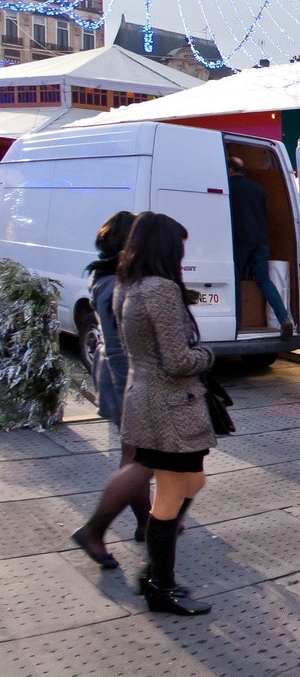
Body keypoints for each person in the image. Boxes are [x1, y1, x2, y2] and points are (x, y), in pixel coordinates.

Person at [116, 212, 218, 616]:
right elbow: (177, 360)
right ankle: (160, 586)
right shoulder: (159, 289)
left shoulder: (128, 286)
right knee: (173, 494)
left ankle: (155, 570)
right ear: (167, 248)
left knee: (193, 482)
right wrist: (209, 355)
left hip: (145, 400)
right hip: (171, 408)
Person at [71, 212, 151, 570]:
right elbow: (119, 347)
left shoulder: (108, 277)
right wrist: (132, 389)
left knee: (137, 456)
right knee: (138, 459)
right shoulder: (112, 284)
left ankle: (146, 522)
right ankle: (94, 530)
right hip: (125, 377)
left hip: (122, 375)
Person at [227, 156, 291, 339]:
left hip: (240, 240)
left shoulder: (229, 188)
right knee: (264, 280)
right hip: (261, 241)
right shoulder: (258, 188)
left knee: (235, 280)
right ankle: (283, 318)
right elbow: (264, 215)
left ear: (230, 170)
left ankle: (237, 322)